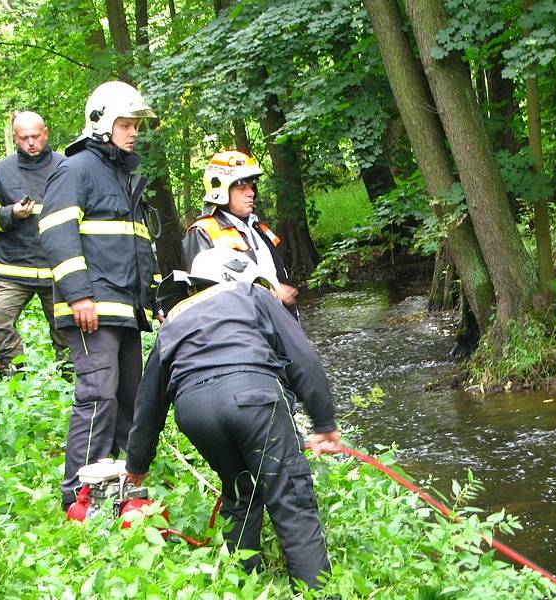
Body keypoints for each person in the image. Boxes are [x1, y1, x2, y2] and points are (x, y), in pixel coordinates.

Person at [124, 247, 341, 590]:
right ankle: (316, 593)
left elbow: (148, 400)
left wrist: (137, 463)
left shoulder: (175, 318)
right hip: (253, 397)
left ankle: (243, 583)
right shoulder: (251, 294)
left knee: (240, 491)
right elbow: (304, 359)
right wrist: (325, 425)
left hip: (194, 412)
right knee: (291, 496)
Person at [38, 81, 161, 510]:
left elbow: (137, 249)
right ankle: (80, 495)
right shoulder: (76, 170)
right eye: (125, 124)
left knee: (130, 400)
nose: (133, 133)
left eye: (136, 126)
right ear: (101, 123)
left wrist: (154, 302)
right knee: (98, 396)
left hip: (125, 311)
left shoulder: (123, 176)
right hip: (92, 308)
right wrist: (78, 296)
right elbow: (56, 234)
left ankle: (124, 490)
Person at [0, 111, 68, 377]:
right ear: (15, 137)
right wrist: (11, 214)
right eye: (24, 138)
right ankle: (14, 372)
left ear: (46, 133)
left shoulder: (66, 167)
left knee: (66, 329)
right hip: (13, 268)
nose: (30, 143)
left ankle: (69, 379)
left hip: (57, 267)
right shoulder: (1, 171)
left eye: (35, 137)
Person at [182, 150, 299, 311]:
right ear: (221, 190)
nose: (250, 193)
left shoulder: (257, 228)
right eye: (242, 188)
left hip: (275, 323)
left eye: (251, 187)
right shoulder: (203, 232)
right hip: (241, 328)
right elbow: (206, 300)